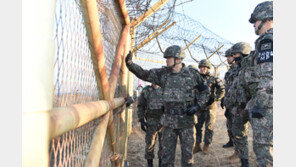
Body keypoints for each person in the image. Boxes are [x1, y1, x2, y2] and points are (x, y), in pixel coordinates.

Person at [125, 45, 210, 167]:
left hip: (187, 121)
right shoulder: (162, 74)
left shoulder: (192, 74)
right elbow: (144, 74)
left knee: (187, 157)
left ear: (178, 59)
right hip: (169, 122)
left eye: (168, 58)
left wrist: (197, 106)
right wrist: (130, 64)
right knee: (166, 158)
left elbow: (205, 92)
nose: (166, 60)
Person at [240, 1, 273, 166]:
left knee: (264, 149)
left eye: (256, 21)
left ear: (266, 18)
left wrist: (259, 103)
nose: (254, 25)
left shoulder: (267, 40)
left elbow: (268, 74)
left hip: (268, 104)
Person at [193, 59, 225, 154]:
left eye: (204, 67)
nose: (202, 69)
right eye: (201, 67)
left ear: (208, 68)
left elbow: (222, 90)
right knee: (197, 126)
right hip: (199, 107)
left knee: (209, 127)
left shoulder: (214, 78)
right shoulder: (196, 78)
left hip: (210, 107)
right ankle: (197, 145)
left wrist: (215, 98)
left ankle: (206, 145)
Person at [229, 42, 252, 167]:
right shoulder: (236, 69)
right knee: (238, 133)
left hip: (253, 105)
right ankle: (244, 162)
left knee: (262, 138)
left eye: (236, 54)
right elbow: (233, 89)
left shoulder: (254, 66)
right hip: (239, 107)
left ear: (244, 54)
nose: (234, 57)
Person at [137, 83, 164, 167]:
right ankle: (150, 164)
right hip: (151, 122)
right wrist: (141, 120)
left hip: (164, 122)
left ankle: (161, 164)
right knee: (150, 144)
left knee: (163, 145)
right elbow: (141, 106)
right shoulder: (146, 90)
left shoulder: (165, 89)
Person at [220, 48, 235, 149]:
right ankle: (231, 141)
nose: (228, 59)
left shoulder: (240, 69)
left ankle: (238, 147)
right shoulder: (229, 71)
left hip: (236, 103)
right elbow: (227, 87)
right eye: (227, 57)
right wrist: (223, 99)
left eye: (229, 56)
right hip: (229, 103)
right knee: (229, 123)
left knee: (237, 126)